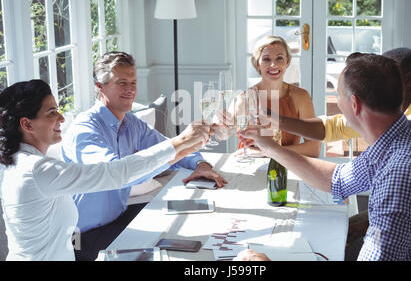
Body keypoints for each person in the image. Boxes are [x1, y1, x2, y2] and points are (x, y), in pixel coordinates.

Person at [240, 54, 411, 261]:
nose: (337, 104)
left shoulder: (401, 174)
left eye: (338, 95)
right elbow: (338, 180)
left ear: (354, 104)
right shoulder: (401, 135)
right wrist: (270, 147)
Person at [0, 79, 208, 260]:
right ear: (27, 124)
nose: (61, 118)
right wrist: (180, 142)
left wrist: (184, 147)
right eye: (51, 112)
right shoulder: (38, 170)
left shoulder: (22, 163)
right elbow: (116, 173)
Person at [61, 51, 227, 261]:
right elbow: (119, 174)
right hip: (83, 236)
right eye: (122, 82)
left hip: (117, 219)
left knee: (193, 230)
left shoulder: (131, 123)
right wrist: (183, 141)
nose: (130, 89)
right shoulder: (85, 130)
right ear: (99, 87)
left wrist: (200, 163)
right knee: (173, 254)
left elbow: (165, 147)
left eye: (133, 82)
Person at [215, 35, 320, 158]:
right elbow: (222, 133)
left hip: (288, 167)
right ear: (257, 64)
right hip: (249, 165)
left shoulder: (301, 97)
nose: (273, 64)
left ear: (287, 62)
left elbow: (314, 149)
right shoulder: (245, 98)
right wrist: (220, 125)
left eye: (279, 58)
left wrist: (267, 152)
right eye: (266, 59)